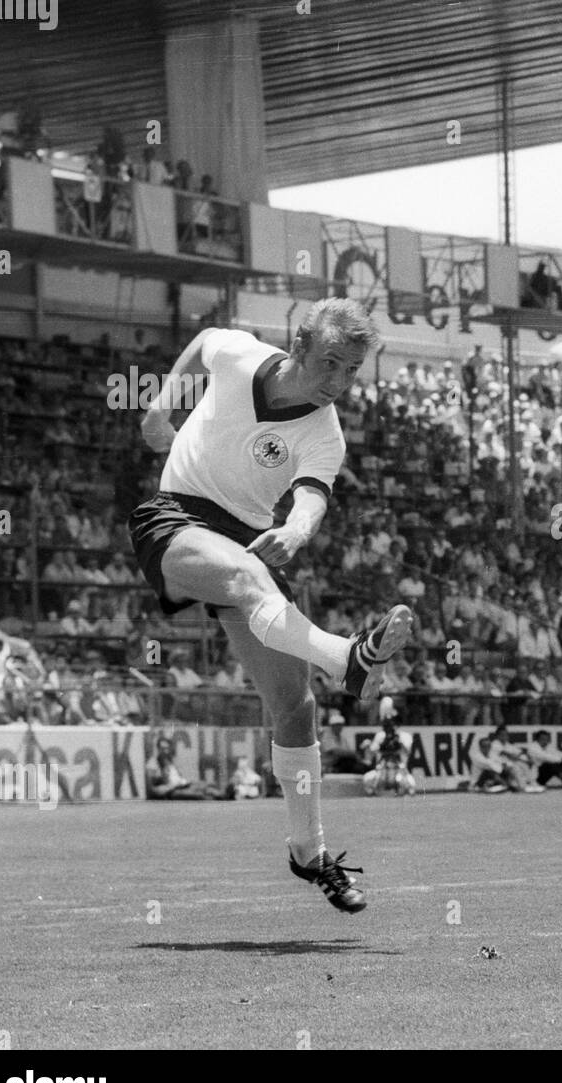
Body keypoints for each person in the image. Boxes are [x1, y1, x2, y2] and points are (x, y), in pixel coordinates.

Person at [129, 297, 415, 913]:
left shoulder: (325, 432)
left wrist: (299, 531)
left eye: (353, 371)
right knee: (246, 581)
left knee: (295, 707)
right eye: (331, 364)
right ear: (298, 349)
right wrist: (162, 403)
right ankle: (345, 657)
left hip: (250, 542)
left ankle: (308, 852)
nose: (339, 382)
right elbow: (204, 339)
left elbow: (312, 497)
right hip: (175, 517)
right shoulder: (241, 357)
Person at [146, 736, 225, 800]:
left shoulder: (169, 761)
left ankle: (225, 797)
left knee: (209, 785)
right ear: (158, 749)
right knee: (199, 794)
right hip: (172, 791)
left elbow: (179, 778)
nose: (165, 751)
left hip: (182, 785)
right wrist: (170, 787)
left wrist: (184, 783)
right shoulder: (153, 764)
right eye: (162, 749)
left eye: (167, 748)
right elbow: (152, 790)